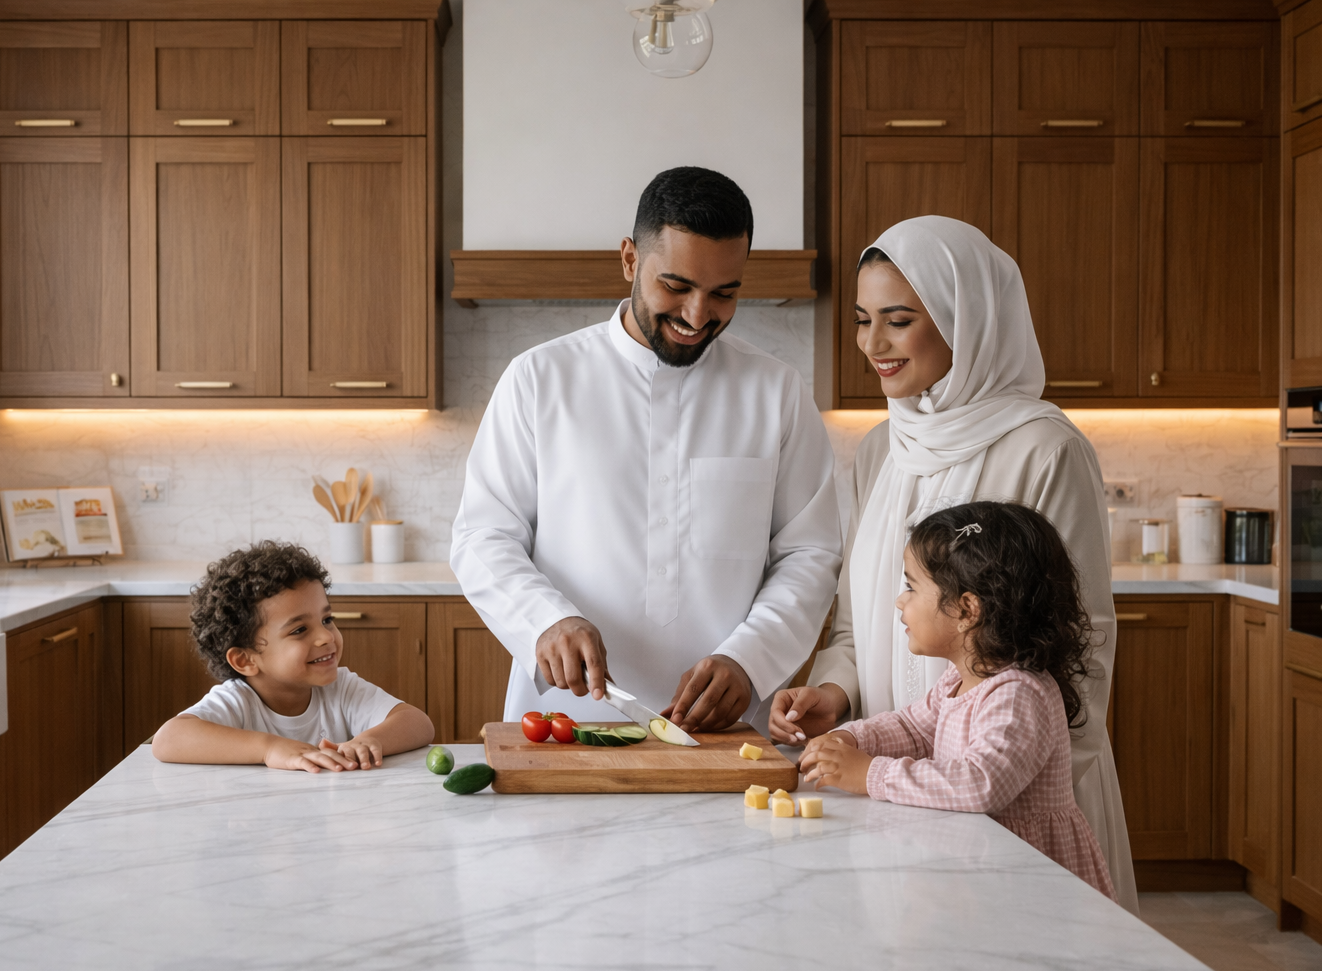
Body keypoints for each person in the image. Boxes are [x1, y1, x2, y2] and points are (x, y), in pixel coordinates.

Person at [768, 215, 1137, 912]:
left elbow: (1081, 643)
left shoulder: (1045, 449)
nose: (871, 344)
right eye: (862, 320)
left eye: (899, 320)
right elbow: (856, 624)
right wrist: (833, 695)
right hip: (900, 793)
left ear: (967, 319)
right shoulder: (880, 450)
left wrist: (1022, 800)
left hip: (1014, 809)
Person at [451, 166, 842, 733]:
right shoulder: (538, 379)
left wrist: (750, 658)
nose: (697, 315)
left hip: (725, 732)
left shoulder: (776, 391)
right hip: (566, 723)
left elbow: (809, 553)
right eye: (677, 287)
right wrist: (545, 620)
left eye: (724, 293)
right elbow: (483, 536)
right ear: (630, 259)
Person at [800, 501, 1116, 901]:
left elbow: (980, 784)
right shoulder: (962, 678)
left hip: (1028, 877)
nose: (900, 601)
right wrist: (851, 739)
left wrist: (871, 775)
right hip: (985, 864)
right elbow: (912, 728)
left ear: (967, 609)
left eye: (912, 587)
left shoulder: (1018, 693)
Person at [152, 541, 434, 773]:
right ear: (245, 660)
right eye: (299, 630)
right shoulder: (237, 701)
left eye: (326, 619)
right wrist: (270, 749)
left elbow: (418, 723)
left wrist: (369, 740)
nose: (326, 637)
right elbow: (168, 740)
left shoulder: (341, 688)